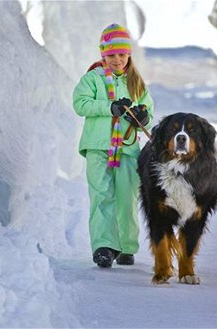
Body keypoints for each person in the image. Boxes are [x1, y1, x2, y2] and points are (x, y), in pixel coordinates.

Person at [72, 23, 154, 268]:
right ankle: (103, 247)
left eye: (122, 54)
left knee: (127, 197)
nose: (117, 59)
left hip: (128, 148)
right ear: (102, 54)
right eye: (111, 54)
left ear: (129, 54)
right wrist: (109, 108)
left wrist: (142, 116)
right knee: (101, 196)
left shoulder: (136, 82)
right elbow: (80, 104)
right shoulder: (92, 79)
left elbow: (147, 108)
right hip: (98, 147)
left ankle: (127, 246)